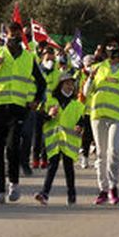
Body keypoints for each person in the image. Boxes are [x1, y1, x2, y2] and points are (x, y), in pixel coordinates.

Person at [0, 20, 44, 204]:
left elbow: (41, 83)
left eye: (17, 35)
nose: (14, 38)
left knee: (12, 148)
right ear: (5, 36)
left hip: (18, 109)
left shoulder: (29, 58)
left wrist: (36, 101)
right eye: (11, 34)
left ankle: (14, 184)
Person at [85, 38, 119, 204]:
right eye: (109, 46)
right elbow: (86, 92)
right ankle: (103, 189)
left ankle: (113, 187)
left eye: (115, 46)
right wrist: (91, 78)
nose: (111, 49)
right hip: (99, 115)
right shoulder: (98, 68)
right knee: (101, 153)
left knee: (114, 151)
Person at [34, 70, 85, 205]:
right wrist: (49, 115)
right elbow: (40, 117)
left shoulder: (77, 105)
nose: (69, 86)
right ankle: (44, 194)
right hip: (54, 139)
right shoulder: (51, 101)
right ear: (61, 84)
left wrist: (80, 125)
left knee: (69, 168)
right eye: (67, 83)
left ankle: (71, 195)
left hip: (69, 141)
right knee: (53, 165)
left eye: (72, 84)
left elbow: (82, 119)